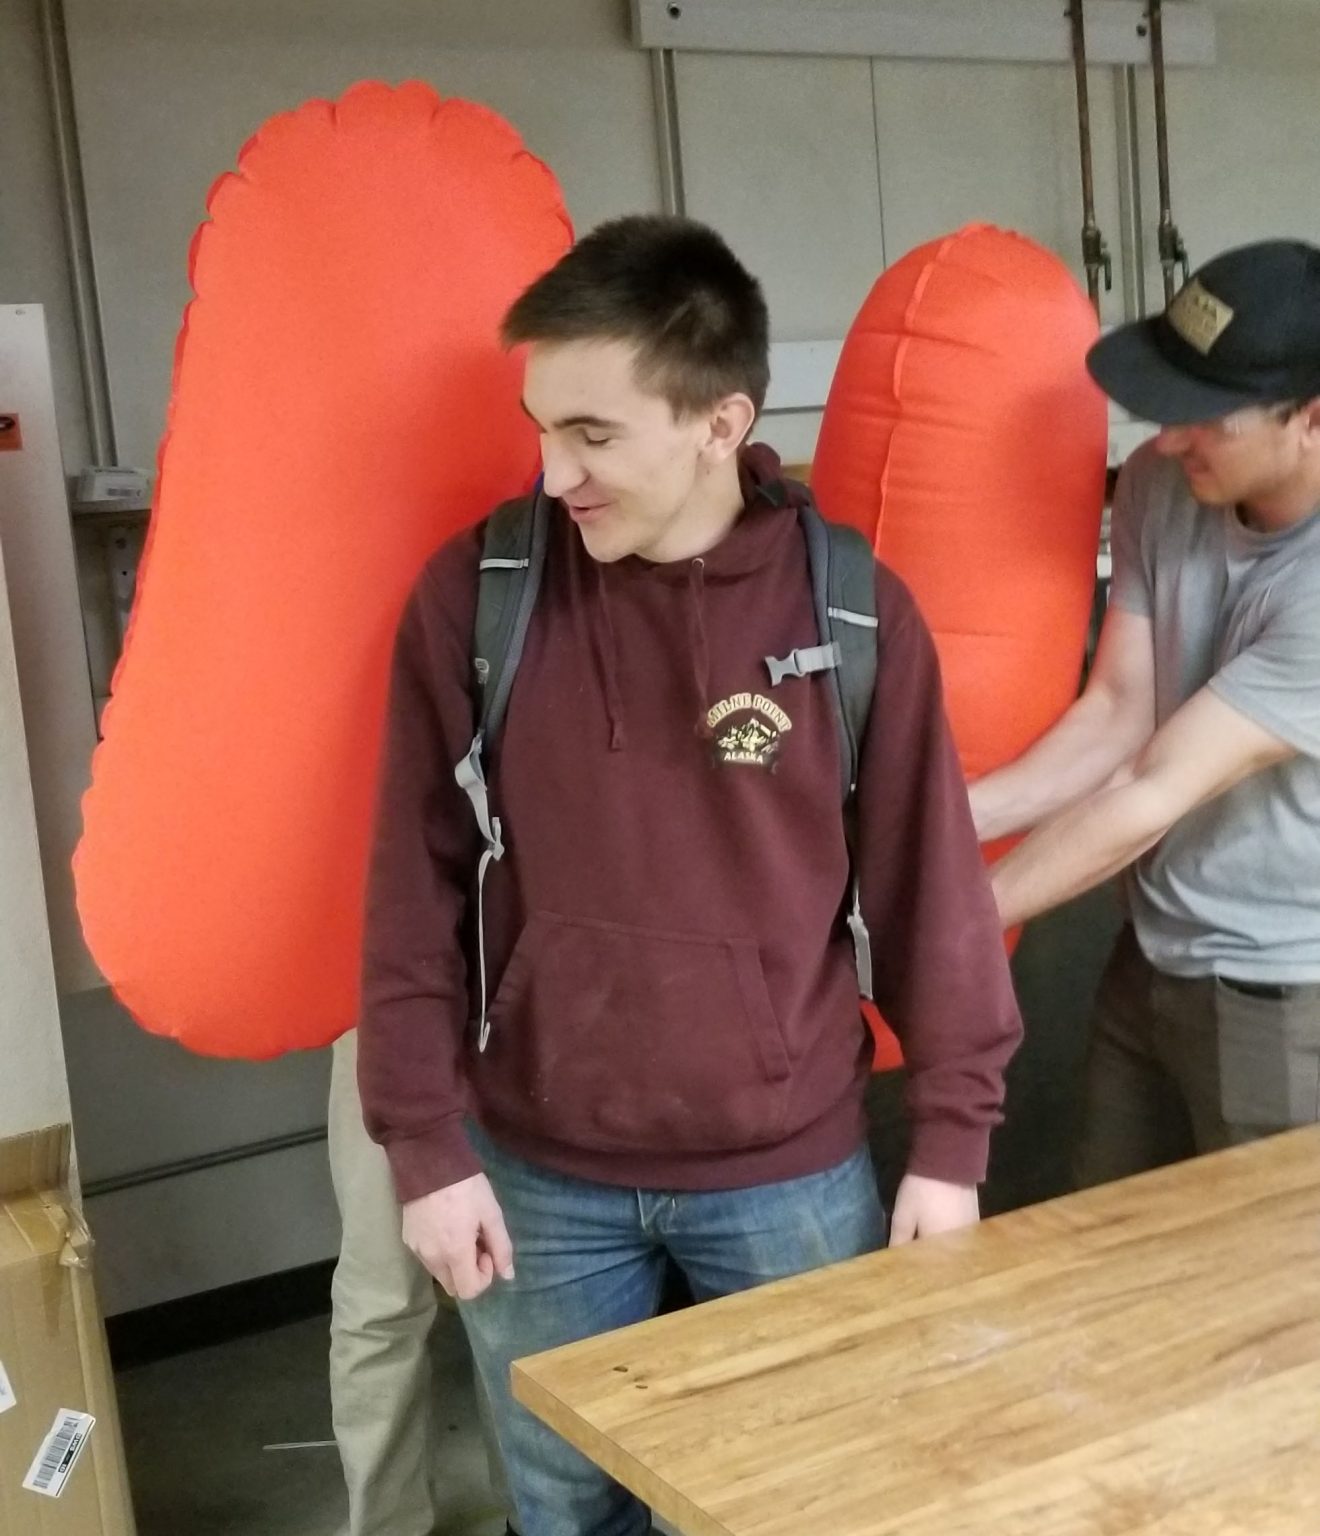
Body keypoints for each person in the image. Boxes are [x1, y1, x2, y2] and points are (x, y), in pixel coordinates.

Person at [357, 213, 1022, 1536]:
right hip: (536, 1178)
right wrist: (426, 1148)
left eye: (594, 436)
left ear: (722, 423)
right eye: (544, 429)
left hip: (790, 1178)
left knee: (797, 1505)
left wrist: (951, 1145)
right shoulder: (479, 593)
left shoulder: (849, 612)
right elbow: (411, 892)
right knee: (565, 1507)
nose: (555, 474)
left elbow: (929, 888)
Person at [970, 240, 1320, 1188]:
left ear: (1310, 422)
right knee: (1105, 1238)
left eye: (1207, 418)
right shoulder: (1169, 484)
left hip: (1280, 986)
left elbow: (1150, 784)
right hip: (1152, 948)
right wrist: (948, 828)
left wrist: (950, 920)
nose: (1166, 439)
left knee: (1260, 1302)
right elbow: (1121, 713)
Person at [327, 1030, 510, 1536]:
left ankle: (537, 1515)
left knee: (520, 1293)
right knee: (381, 1300)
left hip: (514, 991)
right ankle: (386, 1525)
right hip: (377, 1006)